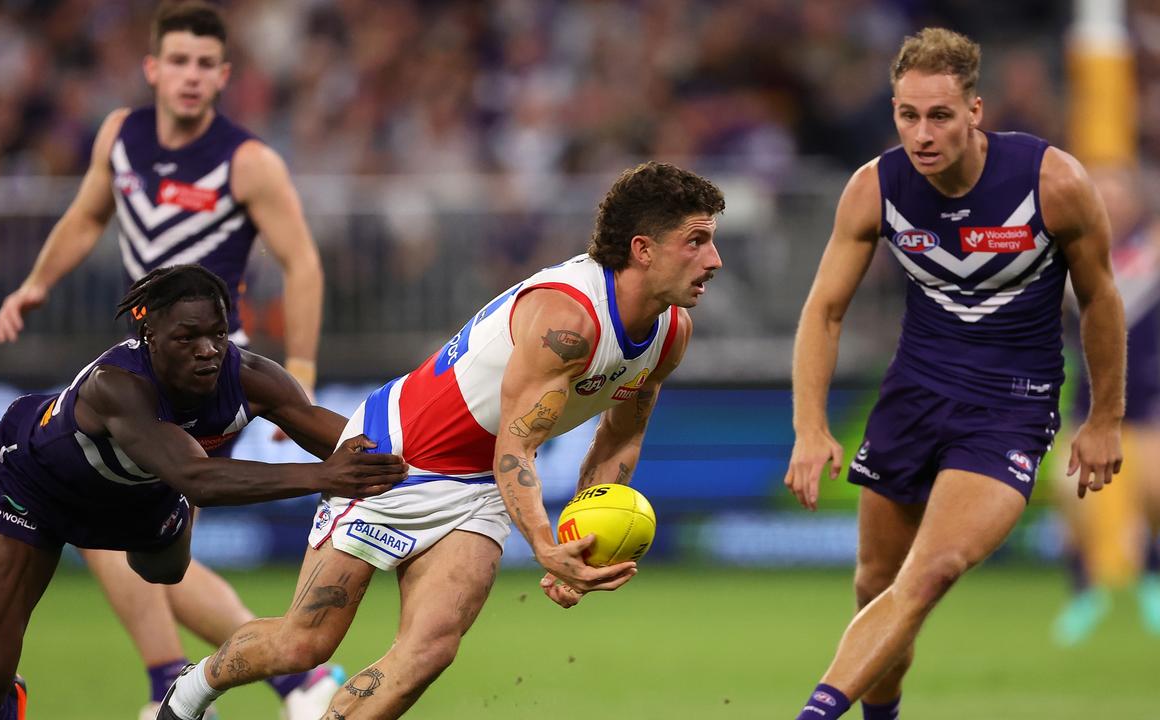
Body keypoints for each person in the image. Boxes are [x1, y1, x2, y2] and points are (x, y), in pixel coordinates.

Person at [154, 161, 725, 720]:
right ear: (643, 249)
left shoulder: (671, 332)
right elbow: (517, 449)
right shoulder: (569, 321)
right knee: (304, 645)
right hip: (395, 455)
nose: (714, 260)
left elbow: (619, 436)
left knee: (429, 651)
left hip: (481, 483)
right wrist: (544, 545)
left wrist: (579, 545)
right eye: (696, 242)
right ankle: (189, 695)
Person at [0, 3, 332, 717]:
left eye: (205, 64)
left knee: (121, 531)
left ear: (224, 76)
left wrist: (298, 369)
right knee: (142, 544)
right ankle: (275, 681)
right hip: (145, 372)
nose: (190, 76)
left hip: (210, 375)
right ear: (152, 68)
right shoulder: (121, 136)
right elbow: (87, 214)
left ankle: (228, 683)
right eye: (177, 60)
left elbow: (301, 263)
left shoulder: (248, 162)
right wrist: (36, 285)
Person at [782, 28, 1125, 720]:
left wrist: (1104, 418)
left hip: (1011, 409)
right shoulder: (875, 188)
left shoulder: (1051, 183)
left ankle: (813, 714)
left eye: (939, 115)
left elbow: (1101, 300)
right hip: (913, 398)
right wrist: (810, 426)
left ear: (975, 111)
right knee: (877, 586)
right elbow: (823, 311)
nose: (922, 133)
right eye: (907, 115)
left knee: (928, 574)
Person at [0, 265, 407, 720]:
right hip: (37, 489)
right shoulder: (115, 384)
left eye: (218, 334)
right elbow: (199, 480)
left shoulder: (249, 376)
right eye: (187, 338)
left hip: (143, 491)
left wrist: (413, 465)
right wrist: (324, 476)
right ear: (149, 333)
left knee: (167, 571)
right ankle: (19, 694)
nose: (207, 350)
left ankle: (175, 672)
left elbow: (347, 438)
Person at [1051, 165, 1160, 645]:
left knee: (1155, 494)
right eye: (1104, 195)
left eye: (1119, 194)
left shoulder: (1153, 252)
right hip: (1091, 395)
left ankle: (1153, 579)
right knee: (1066, 489)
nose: (1112, 204)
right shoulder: (1077, 255)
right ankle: (1084, 590)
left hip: (1151, 391)